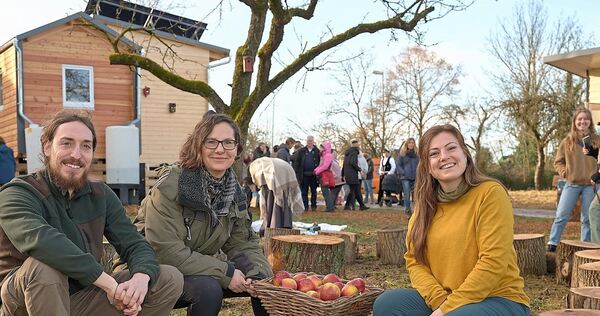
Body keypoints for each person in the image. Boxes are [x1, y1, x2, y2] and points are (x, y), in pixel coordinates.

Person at [0, 110, 183, 316]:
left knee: (168, 278)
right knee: (45, 267)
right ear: (47, 147)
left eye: (85, 146)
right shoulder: (17, 193)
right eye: (66, 143)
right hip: (25, 301)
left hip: (81, 297)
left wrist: (141, 277)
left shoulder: (100, 194)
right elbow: (45, 242)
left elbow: (135, 244)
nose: (76, 155)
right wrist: (109, 285)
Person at [373, 124, 530, 316]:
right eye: (434, 153)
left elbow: (493, 261)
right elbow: (415, 260)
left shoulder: (490, 193)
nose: (444, 156)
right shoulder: (425, 205)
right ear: (428, 166)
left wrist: (446, 310)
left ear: (465, 153)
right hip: (447, 297)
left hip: (497, 298)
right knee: (387, 304)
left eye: (451, 148)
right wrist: (440, 301)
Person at [131, 112, 272, 316]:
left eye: (228, 143)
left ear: (237, 149)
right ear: (198, 146)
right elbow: (165, 251)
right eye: (211, 142)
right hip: (148, 270)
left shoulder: (235, 193)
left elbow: (242, 242)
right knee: (208, 289)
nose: (220, 150)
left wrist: (258, 272)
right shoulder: (172, 186)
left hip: (194, 268)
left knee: (265, 287)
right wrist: (226, 272)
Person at [548, 107, 600, 250]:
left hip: (592, 186)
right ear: (575, 122)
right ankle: (552, 243)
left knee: (587, 219)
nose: (583, 121)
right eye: (580, 119)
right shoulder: (567, 141)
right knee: (561, 215)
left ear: (590, 121)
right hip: (571, 184)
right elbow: (558, 162)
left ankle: (585, 246)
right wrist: (566, 173)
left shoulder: (597, 140)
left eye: (586, 119)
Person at [250, 157, 304, 234]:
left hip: (273, 172)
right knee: (285, 198)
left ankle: (273, 224)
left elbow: (255, 180)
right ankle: (286, 223)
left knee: (272, 199)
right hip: (287, 170)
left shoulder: (254, 167)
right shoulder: (258, 164)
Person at [292, 136, 321, 211]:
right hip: (304, 175)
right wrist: (297, 173)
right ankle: (305, 206)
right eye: (308, 141)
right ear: (306, 141)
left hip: (313, 175)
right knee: (304, 192)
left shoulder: (317, 151)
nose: (309, 142)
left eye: (311, 141)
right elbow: (297, 163)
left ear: (313, 141)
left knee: (314, 191)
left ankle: (314, 206)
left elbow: (320, 162)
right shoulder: (301, 151)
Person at [342, 139, 369, 211]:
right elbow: (353, 163)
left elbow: (344, 165)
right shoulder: (354, 153)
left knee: (353, 190)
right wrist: (360, 170)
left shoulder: (347, 153)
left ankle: (349, 205)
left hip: (348, 174)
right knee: (356, 190)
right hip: (353, 174)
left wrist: (343, 174)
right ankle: (360, 205)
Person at [397, 138, 419, 217]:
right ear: (407, 144)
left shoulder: (417, 154)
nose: (411, 144)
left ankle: (417, 210)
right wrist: (403, 173)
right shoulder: (402, 154)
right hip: (405, 177)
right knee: (407, 195)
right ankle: (408, 211)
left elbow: (420, 164)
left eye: (412, 143)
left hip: (416, 177)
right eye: (409, 143)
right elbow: (398, 165)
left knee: (416, 195)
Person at [314, 141, 335, 212]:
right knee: (325, 192)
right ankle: (329, 207)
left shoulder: (328, 155)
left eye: (321, 147)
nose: (319, 149)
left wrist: (317, 171)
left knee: (326, 192)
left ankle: (330, 207)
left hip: (324, 175)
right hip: (322, 174)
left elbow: (325, 166)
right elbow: (321, 165)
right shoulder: (323, 156)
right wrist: (316, 170)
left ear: (324, 148)